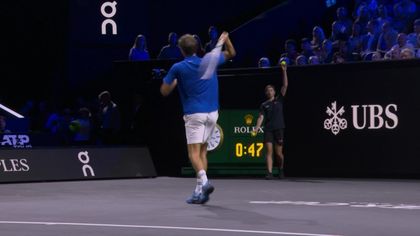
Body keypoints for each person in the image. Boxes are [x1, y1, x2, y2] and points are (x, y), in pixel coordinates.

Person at [160, 32, 236, 204]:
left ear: (181, 50)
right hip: (212, 114)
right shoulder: (209, 61)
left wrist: (175, 82)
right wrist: (226, 39)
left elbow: (164, 91)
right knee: (202, 152)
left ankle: (205, 182)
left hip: (195, 114)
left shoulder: (177, 68)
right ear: (196, 48)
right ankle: (199, 191)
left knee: (193, 153)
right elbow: (232, 53)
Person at [252, 62, 288, 179]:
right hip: (268, 129)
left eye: (271, 90)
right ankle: (269, 173)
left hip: (279, 129)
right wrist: (256, 128)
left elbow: (285, 85)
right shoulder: (264, 105)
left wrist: (284, 71)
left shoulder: (279, 99)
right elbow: (261, 117)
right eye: (267, 91)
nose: (269, 92)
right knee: (269, 152)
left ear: (274, 92)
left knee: (278, 154)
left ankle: (281, 169)